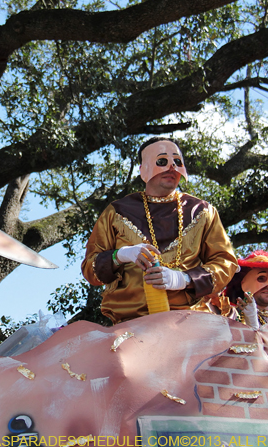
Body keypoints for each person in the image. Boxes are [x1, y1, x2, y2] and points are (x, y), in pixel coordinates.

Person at [81, 137, 238, 324]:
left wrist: (185, 279)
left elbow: (225, 262)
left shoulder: (203, 211)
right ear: (143, 170)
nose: (172, 167)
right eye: (162, 161)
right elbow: (90, 268)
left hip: (191, 320)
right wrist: (120, 255)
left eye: (177, 162)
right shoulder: (116, 212)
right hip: (130, 322)